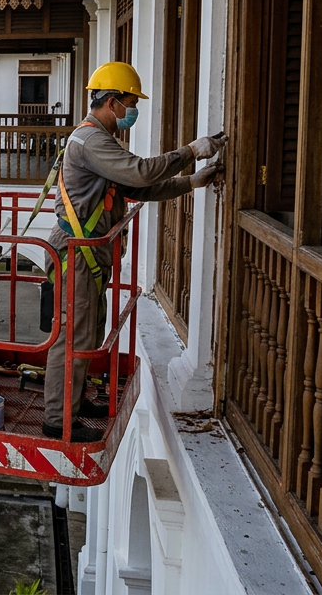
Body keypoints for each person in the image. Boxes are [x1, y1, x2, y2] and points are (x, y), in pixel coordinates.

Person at [43, 62, 224, 442]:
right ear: (111, 102)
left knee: (87, 333)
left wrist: (191, 182)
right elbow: (141, 173)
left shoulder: (102, 140)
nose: (132, 111)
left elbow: (136, 190)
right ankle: (58, 420)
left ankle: (74, 403)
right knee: (72, 338)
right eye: (130, 103)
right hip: (76, 254)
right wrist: (191, 151)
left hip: (87, 255)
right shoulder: (91, 141)